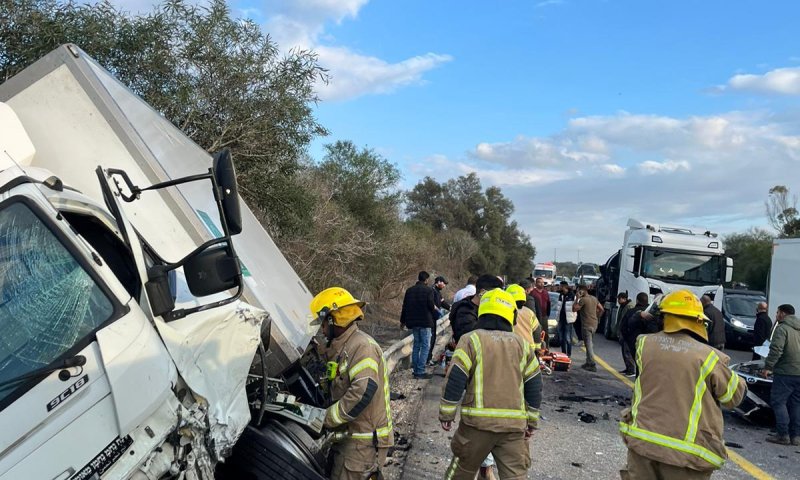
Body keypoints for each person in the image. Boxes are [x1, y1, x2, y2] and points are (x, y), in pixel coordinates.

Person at [619, 290, 747, 479]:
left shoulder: (645, 344)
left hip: (643, 445)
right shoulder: (710, 357)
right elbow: (732, 397)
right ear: (699, 321)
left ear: (663, 317)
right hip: (686, 456)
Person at [440, 288, 543, 480]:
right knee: (516, 475)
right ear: (511, 315)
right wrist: (532, 421)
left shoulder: (471, 340)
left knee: (461, 473)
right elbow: (534, 386)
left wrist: (447, 413)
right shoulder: (522, 345)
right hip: (513, 429)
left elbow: (456, 378)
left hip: (476, 426)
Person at [310, 287, 394, 479]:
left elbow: (363, 390)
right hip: (351, 439)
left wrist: (326, 419)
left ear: (333, 320)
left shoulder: (362, 347)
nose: (322, 328)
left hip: (361, 444)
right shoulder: (344, 345)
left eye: (323, 322)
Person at [447, 274, 504, 479]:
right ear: (482, 293)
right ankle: (483, 468)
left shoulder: (487, 309)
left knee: (486, 421)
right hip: (473, 373)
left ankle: (484, 467)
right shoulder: (466, 311)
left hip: (489, 371)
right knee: (478, 424)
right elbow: (469, 338)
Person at [762, 304, 800, 446]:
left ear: (783, 314)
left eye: (777, 312)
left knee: (779, 402)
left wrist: (768, 367)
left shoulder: (782, 328)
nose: (776, 315)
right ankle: (796, 436)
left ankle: (783, 435)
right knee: (796, 404)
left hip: (785, 372)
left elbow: (776, 349)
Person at [400, 271, 438, 379]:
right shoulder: (429, 290)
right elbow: (431, 306)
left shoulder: (409, 291)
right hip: (425, 322)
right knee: (425, 346)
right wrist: (436, 312)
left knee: (416, 345)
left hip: (413, 322)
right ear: (426, 280)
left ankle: (416, 369)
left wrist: (402, 321)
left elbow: (405, 307)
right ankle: (420, 371)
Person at [572, 284, 604, 372]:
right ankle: (588, 362)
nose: (577, 292)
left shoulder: (583, 300)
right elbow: (601, 309)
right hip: (594, 324)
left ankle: (592, 364)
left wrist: (577, 299)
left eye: (578, 291)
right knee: (589, 343)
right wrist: (597, 317)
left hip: (586, 325)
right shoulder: (594, 298)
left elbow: (574, 309)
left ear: (582, 291)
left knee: (588, 344)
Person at [620, 293, 650, 375]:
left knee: (637, 363)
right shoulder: (652, 313)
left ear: (637, 300)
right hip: (649, 343)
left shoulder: (631, 311)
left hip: (633, 342)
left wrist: (626, 339)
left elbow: (623, 327)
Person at [507, 284, 542, 351]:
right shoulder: (529, 312)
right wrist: (537, 348)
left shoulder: (505, 312)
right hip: (529, 349)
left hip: (512, 348)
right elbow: (537, 330)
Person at [428, 275, 451, 365]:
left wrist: (450, 308)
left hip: (434, 318)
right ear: (439, 282)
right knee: (431, 339)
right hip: (430, 318)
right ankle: (427, 359)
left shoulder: (437, 292)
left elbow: (442, 303)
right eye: (443, 283)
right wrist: (438, 310)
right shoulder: (432, 291)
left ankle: (428, 358)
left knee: (433, 338)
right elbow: (432, 304)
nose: (444, 285)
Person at [615, 292, 636, 376]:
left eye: (619, 299)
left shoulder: (629, 306)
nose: (618, 301)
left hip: (627, 332)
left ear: (623, 298)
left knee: (627, 352)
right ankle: (627, 368)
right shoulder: (623, 306)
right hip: (623, 331)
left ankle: (631, 369)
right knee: (624, 351)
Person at [556, 281, 575, 357]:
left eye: (560, 286)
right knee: (561, 338)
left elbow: (575, 307)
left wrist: (574, 317)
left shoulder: (572, 295)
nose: (559, 288)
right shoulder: (561, 295)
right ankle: (563, 353)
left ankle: (569, 354)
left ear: (564, 287)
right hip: (561, 319)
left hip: (568, 320)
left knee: (567, 338)